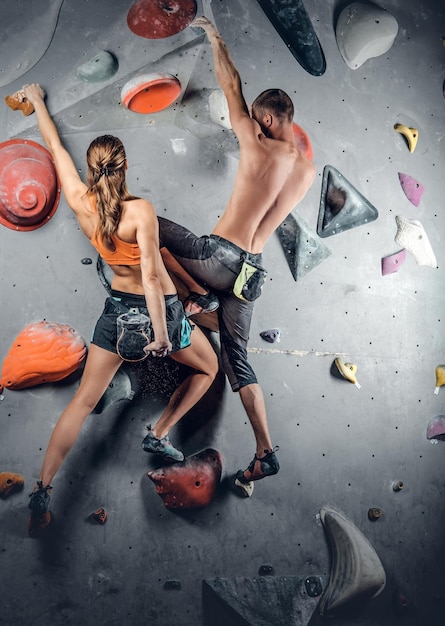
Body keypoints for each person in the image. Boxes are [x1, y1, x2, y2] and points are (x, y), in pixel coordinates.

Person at [22, 84, 218, 534]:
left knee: (83, 401)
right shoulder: (140, 211)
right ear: (125, 166)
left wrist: (36, 103)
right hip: (159, 310)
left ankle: (42, 488)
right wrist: (165, 335)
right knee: (206, 368)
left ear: (92, 170)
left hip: (116, 313)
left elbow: (54, 148)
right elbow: (151, 275)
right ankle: (159, 432)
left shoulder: (80, 203)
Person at [157, 16, 316, 494]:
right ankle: (265, 451)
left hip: (219, 256)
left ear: (265, 120)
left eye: (255, 117)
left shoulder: (255, 141)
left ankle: (194, 296)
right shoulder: (306, 170)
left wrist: (216, 37)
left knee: (150, 228)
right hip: (254, 272)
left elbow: (231, 84)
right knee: (239, 360)